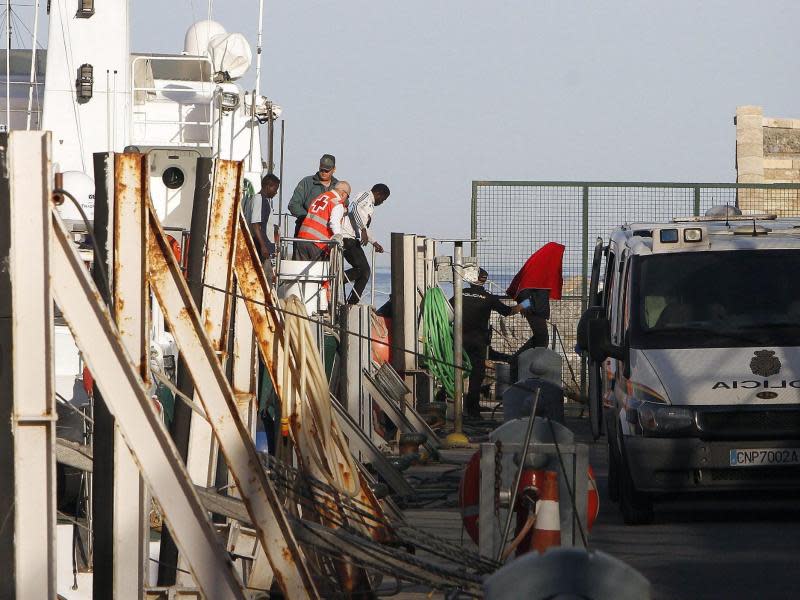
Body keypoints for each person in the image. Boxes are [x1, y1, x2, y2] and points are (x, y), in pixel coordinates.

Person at [452, 268, 528, 418]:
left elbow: (447, 311)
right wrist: (526, 303)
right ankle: (473, 410)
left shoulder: (459, 295)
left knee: (454, 370)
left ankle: (450, 403)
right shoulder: (489, 298)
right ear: (484, 280)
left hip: (459, 340)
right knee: (476, 374)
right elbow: (508, 311)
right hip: (479, 341)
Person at [341, 183, 391, 304]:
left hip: (354, 238)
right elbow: (354, 208)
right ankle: (337, 280)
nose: (382, 202)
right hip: (346, 236)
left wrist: (374, 242)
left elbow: (364, 226)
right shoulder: (365, 195)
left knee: (364, 272)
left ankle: (352, 302)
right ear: (379, 194)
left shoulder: (370, 208)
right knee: (363, 270)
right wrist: (363, 229)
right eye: (383, 199)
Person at [294, 181, 351, 260]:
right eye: (347, 197)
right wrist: (339, 238)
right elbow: (334, 223)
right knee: (317, 271)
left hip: (301, 238)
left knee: (300, 270)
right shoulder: (337, 203)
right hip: (317, 243)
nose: (346, 200)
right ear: (343, 194)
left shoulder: (319, 197)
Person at [287, 153, 339, 237]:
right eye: (321, 169)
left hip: (329, 234)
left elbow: (344, 205)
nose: (323, 172)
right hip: (305, 232)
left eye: (327, 170)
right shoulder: (306, 182)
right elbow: (293, 204)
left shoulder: (338, 186)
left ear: (334, 169)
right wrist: (308, 218)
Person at [250, 173, 280, 262]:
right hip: (260, 247)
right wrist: (263, 246)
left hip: (264, 246)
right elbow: (255, 224)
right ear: (268, 186)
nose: (276, 192)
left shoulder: (262, 200)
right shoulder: (259, 199)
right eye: (275, 189)